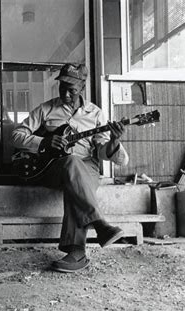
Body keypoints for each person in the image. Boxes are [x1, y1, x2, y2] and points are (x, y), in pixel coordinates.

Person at [11, 63, 129, 272]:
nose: (66, 93)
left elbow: (102, 152)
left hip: (87, 166)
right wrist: (43, 143)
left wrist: (113, 141)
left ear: (82, 87)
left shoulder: (95, 114)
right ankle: (100, 224)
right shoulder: (46, 109)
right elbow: (17, 135)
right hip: (52, 167)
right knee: (71, 164)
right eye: (62, 87)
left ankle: (77, 252)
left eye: (72, 89)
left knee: (76, 177)